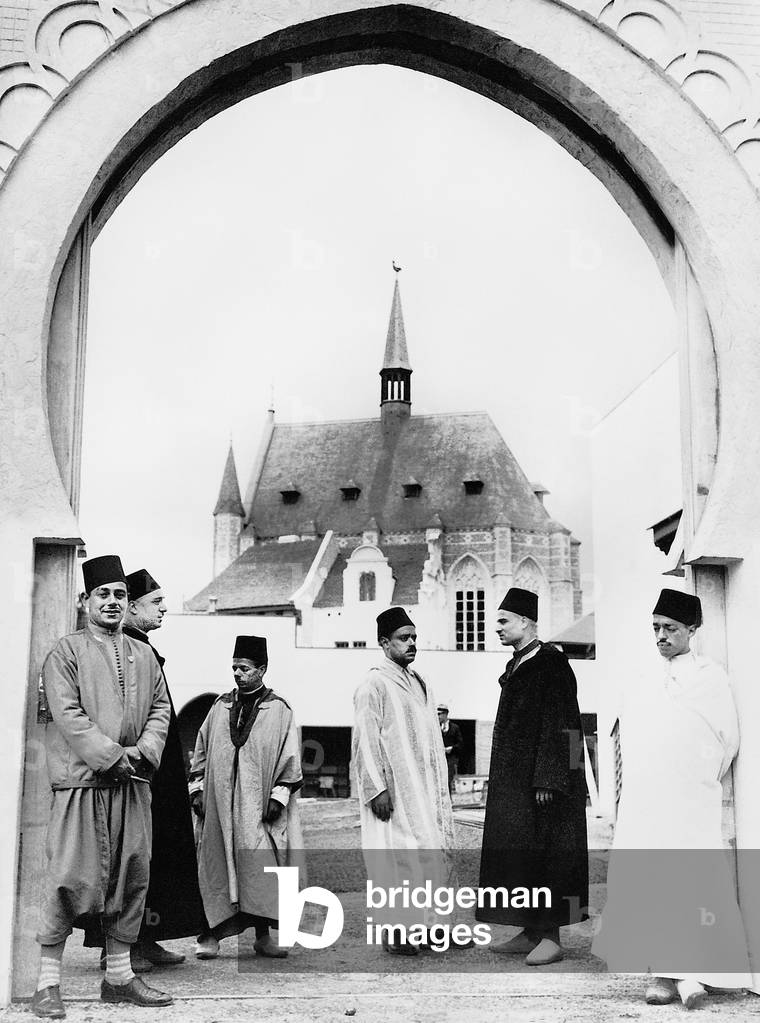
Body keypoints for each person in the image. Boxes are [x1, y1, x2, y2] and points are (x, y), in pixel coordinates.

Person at [592, 588, 751, 1009]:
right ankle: (665, 973)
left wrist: (695, 778)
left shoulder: (711, 677)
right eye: (656, 628)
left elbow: (727, 741)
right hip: (648, 801)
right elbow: (632, 736)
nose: (661, 636)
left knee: (693, 881)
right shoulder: (644, 679)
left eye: (671, 628)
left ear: (692, 630)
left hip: (692, 798)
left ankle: (693, 970)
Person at [33, 555, 173, 1019]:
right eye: (103, 594)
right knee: (68, 878)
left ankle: (118, 978)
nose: (112, 602)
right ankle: (46, 984)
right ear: (85, 600)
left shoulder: (145, 655)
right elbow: (68, 713)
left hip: (131, 783)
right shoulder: (66, 652)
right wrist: (111, 756)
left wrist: (142, 753)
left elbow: (160, 709)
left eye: (120, 595)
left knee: (131, 874)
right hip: (82, 783)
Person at [83, 568, 205, 971]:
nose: (164, 608)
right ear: (131, 608)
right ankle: (117, 947)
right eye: (156, 602)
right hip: (131, 773)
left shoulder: (143, 648)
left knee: (156, 857)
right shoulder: (120, 650)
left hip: (156, 773)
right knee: (125, 860)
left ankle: (146, 938)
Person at [476, 587, 588, 966]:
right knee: (521, 856)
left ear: (525, 621)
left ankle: (551, 936)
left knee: (548, 855)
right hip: (517, 784)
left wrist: (550, 778)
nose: (497, 628)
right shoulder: (518, 664)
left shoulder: (551, 663)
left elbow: (564, 724)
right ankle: (529, 932)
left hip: (545, 784)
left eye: (503, 621)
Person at [189, 635, 303, 960]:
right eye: (235, 668)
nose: (238, 674)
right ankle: (209, 936)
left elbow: (290, 758)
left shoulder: (279, 710)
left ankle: (262, 937)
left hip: (257, 808)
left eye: (245, 668)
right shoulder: (220, 706)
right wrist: (197, 789)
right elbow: (200, 750)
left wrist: (278, 797)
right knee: (215, 867)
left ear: (262, 669)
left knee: (259, 869)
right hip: (219, 807)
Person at [352, 607, 457, 955]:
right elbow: (365, 738)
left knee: (427, 854)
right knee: (396, 858)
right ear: (384, 643)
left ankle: (430, 928)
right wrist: (376, 789)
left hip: (422, 788)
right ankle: (396, 932)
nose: (412, 643)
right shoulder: (373, 684)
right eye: (403, 638)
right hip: (393, 790)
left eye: (414, 637)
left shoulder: (420, 682)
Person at [437, 703, 464, 795]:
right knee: (439, 779)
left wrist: (451, 748)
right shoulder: (435, 728)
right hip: (439, 758)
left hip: (451, 759)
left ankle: (448, 800)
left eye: (439, 714)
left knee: (447, 779)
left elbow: (460, 744)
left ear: (445, 714)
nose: (438, 716)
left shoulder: (455, 728)